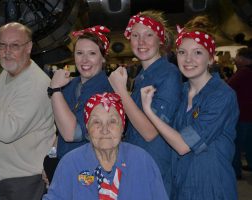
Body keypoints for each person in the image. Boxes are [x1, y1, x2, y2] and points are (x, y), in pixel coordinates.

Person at [141, 17, 239, 199]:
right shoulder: (181, 92)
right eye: (182, 52)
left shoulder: (221, 95)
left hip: (211, 188)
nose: (188, 59)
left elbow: (183, 145)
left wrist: (149, 111)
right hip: (181, 186)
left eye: (198, 53)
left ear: (211, 58)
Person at [0, 22, 56, 200]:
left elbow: (8, 130)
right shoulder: (8, 72)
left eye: (15, 45)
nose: (7, 51)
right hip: (6, 179)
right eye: (2, 45)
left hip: (22, 181)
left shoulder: (35, 84)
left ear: (28, 47)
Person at [108, 10, 182, 194]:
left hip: (154, 167)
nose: (141, 42)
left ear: (160, 40)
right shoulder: (142, 76)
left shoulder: (169, 74)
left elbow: (150, 132)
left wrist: (121, 91)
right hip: (136, 162)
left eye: (149, 35)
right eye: (135, 35)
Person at [42, 92, 169, 200]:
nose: (104, 130)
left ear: (122, 126)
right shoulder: (71, 163)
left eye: (112, 121)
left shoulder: (142, 161)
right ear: (87, 127)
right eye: (96, 122)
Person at [43, 25, 113, 182]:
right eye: (80, 53)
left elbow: (71, 133)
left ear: (103, 57)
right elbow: (61, 130)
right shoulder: (71, 85)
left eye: (92, 53)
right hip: (64, 166)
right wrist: (51, 159)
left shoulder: (106, 93)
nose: (85, 60)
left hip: (88, 171)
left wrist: (55, 90)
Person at [229, 47, 252, 179]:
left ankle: (235, 171)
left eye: (237, 57)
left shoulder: (243, 72)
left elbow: (229, 86)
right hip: (250, 113)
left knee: (236, 144)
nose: (235, 60)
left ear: (243, 58)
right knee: (249, 142)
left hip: (243, 114)